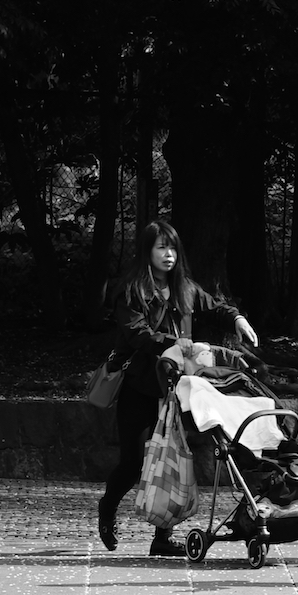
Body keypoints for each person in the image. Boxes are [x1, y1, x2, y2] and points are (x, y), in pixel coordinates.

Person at [97, 218, 257, 555]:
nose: (168, 254)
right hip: (140, 385)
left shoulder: (185, 288)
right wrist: (179, 345)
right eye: (161, 247)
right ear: (148, 252)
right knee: (134, 462)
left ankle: (162, 538)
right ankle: (108, 507)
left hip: (176, 387)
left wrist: (236, 319)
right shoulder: (131, 291)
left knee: (174, 457)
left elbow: (214, 307)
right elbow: (137, 334)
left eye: (172, 248)